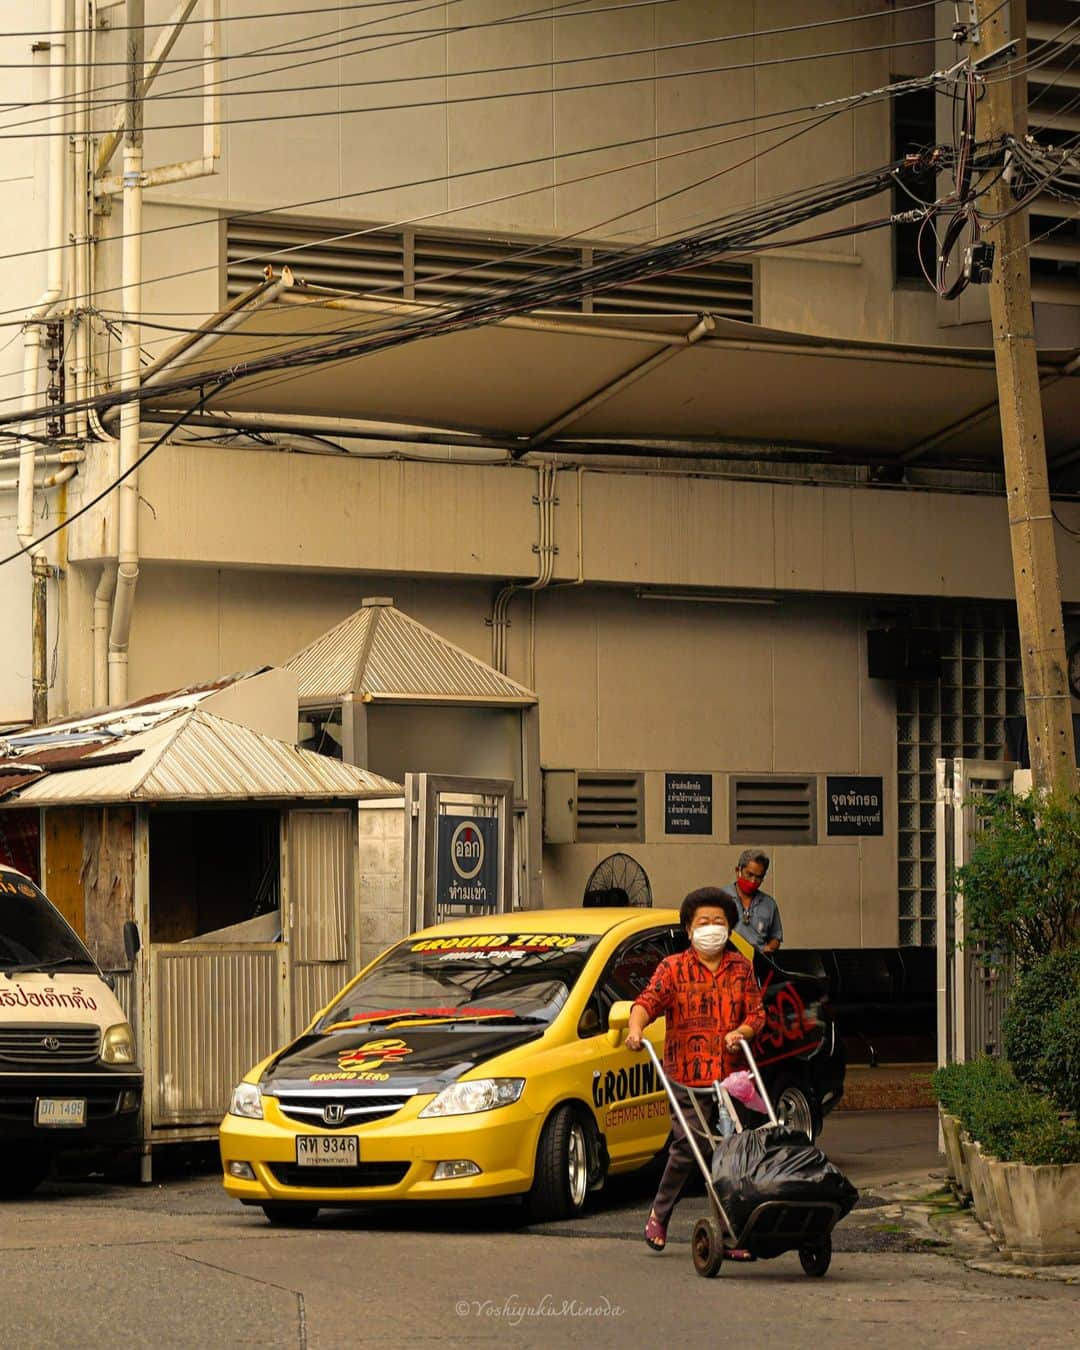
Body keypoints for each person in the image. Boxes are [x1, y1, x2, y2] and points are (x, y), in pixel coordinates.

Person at [625, 887, 765, 1253]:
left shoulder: (741, 969)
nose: (711, 928)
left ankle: (732, 1231)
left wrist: (742, 1031)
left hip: (730, 1078)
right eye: (703, 922)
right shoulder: (672, 969)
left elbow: (756, 1014)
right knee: (690, 1146)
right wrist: (636, 1029)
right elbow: (647, 1002)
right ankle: (660, 1212)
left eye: (718, 922)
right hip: (685, 1077)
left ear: (730, 928)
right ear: (689, 929)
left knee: (732, 1153)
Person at [722, 849, 783, 954]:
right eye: (749, 874)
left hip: (757, 963)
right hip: (727, 962)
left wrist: (768, 948)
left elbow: (775, 937)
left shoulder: (769, 904)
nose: (753, 881)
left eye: (759, 877)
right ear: (738, 871)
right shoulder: (720, 898)